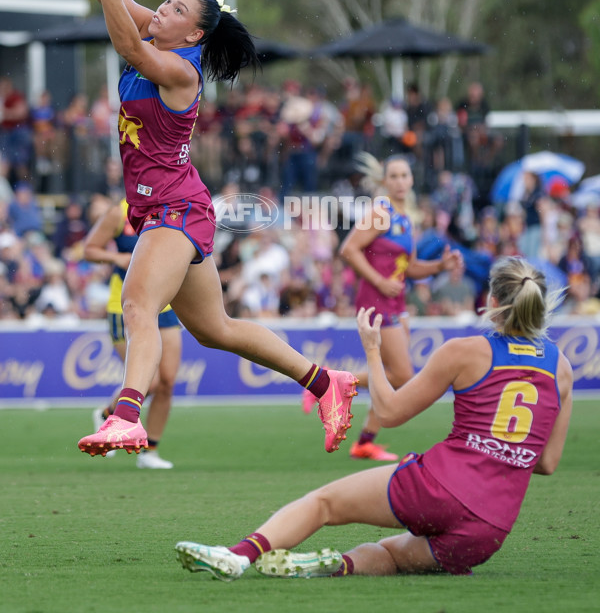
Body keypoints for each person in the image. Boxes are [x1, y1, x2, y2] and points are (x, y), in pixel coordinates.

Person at [73, 0, 357, 457]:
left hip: (174, 210)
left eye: (175, 7)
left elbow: (126, 44)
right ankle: (324, 382)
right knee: (215, 329)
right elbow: (113, 2)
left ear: (195, 33)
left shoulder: (180, 70)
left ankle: (127, 417)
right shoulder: (160, 36)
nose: (161, 8)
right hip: (175, 206)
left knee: (137, 304)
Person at [174, 256, 573, 581]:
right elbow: (548, 462)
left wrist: (372, 349)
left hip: (439, 487)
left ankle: (239, 556)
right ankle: (333, 565)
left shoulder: (467, 351)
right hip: (490, 529)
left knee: (324, 504)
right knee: (393, 557)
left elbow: (390, 412)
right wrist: (500, 451)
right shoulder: (563, 368)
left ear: (491, 299)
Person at [305, 153, 462, 462]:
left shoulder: (406, 217)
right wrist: (379, 280)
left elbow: (410, 267)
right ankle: (324, 381)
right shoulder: (382, 212)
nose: (401, 181)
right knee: (402, 376)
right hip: (377, 300)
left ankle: (364, 441)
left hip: (395, 301)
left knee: (390, 375)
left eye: (405, 175)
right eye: (394, 176)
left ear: (412, 180)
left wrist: (439, 266)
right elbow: (348, 249)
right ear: (385, 182)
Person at [83, 198, 181, 469]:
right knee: (149, 380)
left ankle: (150, 453)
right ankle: (107, 415)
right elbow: (88, 250)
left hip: (165, 303)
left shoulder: (174, 207)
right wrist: (117, 258)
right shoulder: (119, 212)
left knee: (167, 382)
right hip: (125, 305)